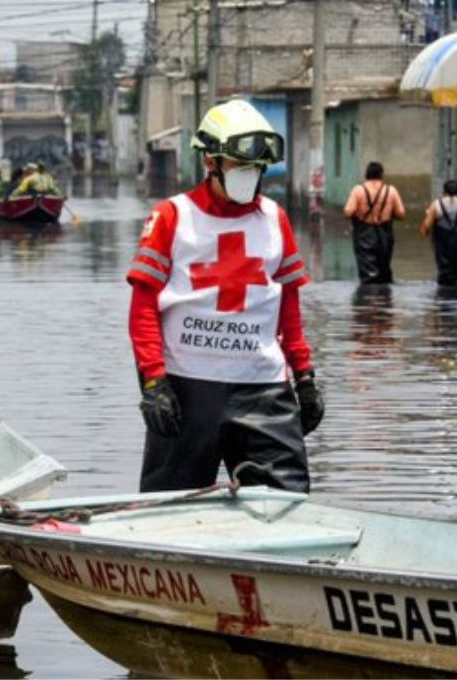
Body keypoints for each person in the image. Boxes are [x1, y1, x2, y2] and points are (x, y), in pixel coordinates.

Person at [125, 99, 325, 494]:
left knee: (287, 504)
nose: (248, 175)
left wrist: (304, 377)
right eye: (238, 165)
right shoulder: (171, 217)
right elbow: (143, 308)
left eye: (255, 167)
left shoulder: (274, 219)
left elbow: (289, 308)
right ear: (210, 163)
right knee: (170, 511)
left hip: (263, 390)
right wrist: (153, 384)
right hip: (187, 389)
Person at [343, 161, 405, 284]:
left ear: (366, 175)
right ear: (382, 175)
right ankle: (385, 298)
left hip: (364, 235)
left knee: (368, 273)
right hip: (385, 235)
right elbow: (401, 214)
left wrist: (361, 211)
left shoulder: (358, 190)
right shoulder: (391, 191)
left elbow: (348, 212)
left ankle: (368, 299)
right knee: (384, 269)